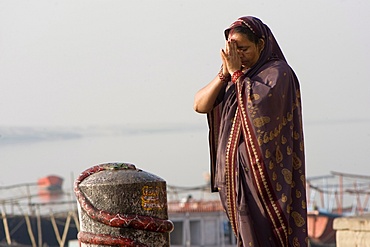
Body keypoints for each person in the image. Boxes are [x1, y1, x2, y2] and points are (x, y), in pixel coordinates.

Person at [194, 16, 308, 246]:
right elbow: (200, 104)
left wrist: (237, 75)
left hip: (266, 180)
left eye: (244, 49)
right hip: (237, 178)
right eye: (233, 50)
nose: (239, 56)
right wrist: (225, 74)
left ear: (261, 44)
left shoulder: (278, 73)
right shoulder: (236, 77)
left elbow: (259, 111)